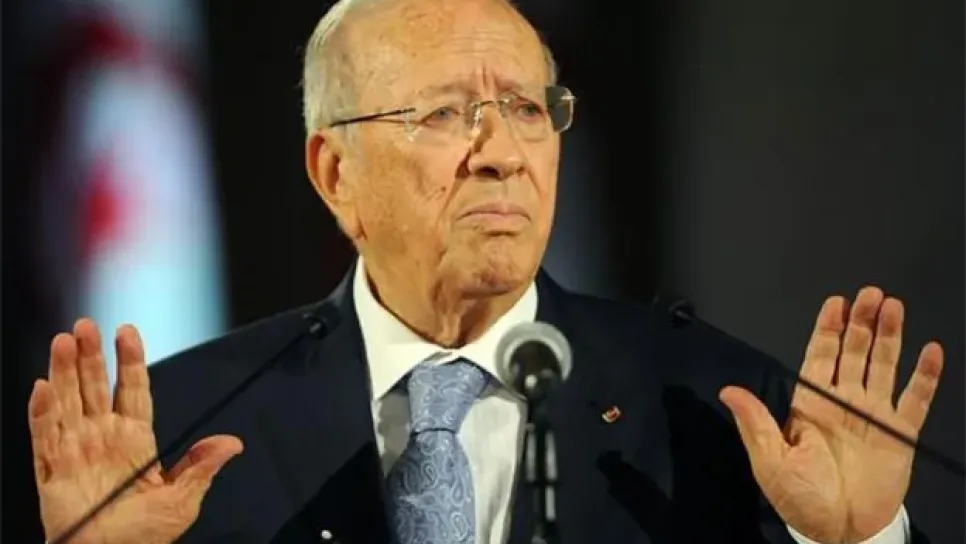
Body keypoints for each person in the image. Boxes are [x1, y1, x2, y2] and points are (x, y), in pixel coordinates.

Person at [28, 0, 945, 542]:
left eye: (528, 110)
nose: (503, 154)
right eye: (443, 114)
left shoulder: (712, 405)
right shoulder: (184, 430)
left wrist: (859, 542)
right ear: (336, 174)